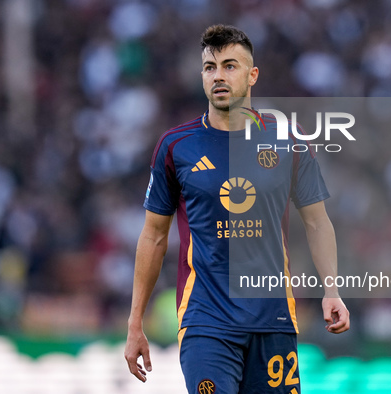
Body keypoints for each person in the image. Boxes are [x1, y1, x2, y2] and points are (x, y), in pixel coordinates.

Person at [124, 24, 349, 393]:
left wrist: (332, 290)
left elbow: (317, 223)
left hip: (273, 318)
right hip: (206, 320)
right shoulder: (175, 146)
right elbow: (153, 236)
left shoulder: (288, 141)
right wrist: (135, 323)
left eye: (230, 65)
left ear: (252, 74)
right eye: (210, 67)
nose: (219, 76)